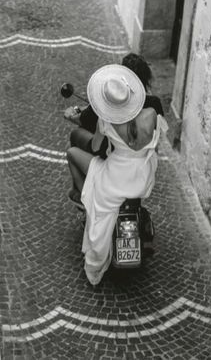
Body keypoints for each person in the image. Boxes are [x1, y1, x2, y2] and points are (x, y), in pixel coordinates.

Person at [66, 64, 168, 285]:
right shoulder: (151, 114)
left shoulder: (107, 121)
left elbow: (94, 148)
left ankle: (81, 193)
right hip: (141, 178)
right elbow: (157, 141)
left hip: (114, 180)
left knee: (73, 153)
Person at [64, 53, 164, 205]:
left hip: (114, 168)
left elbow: (94, 145)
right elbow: (159, 134)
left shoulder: (108, 113)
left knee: (75, 141)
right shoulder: (153, 107)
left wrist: (72, 115)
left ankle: (84, 196)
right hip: (144, 171)